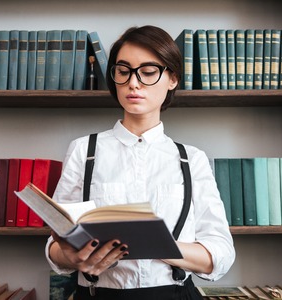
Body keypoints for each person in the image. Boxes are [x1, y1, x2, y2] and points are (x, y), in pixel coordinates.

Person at [45, 25, 235, 300]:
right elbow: (55, 244)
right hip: (99, 294)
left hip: (174, 294)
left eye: (147, 72)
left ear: (172, 79)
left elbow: (221, 252)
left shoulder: (191, 158)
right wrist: (72, 257)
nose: (133, 83)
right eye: (123, 72)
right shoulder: (84, 150)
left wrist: (159, 245)